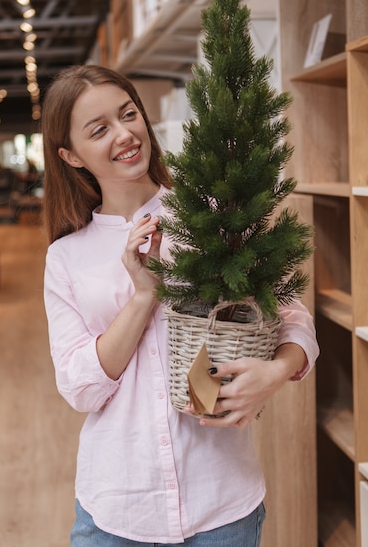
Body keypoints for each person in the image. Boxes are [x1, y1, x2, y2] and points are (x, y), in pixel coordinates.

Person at [41, 64, 319, 547]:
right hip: (116, 511)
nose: (125, 134)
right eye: (99, 129)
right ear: (71, 155)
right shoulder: (66, 257)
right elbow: (80, 388)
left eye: (129, 114)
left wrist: (274, 374)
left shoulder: (216, 217)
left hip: (222, 504)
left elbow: (293, 318)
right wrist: (145, 294)